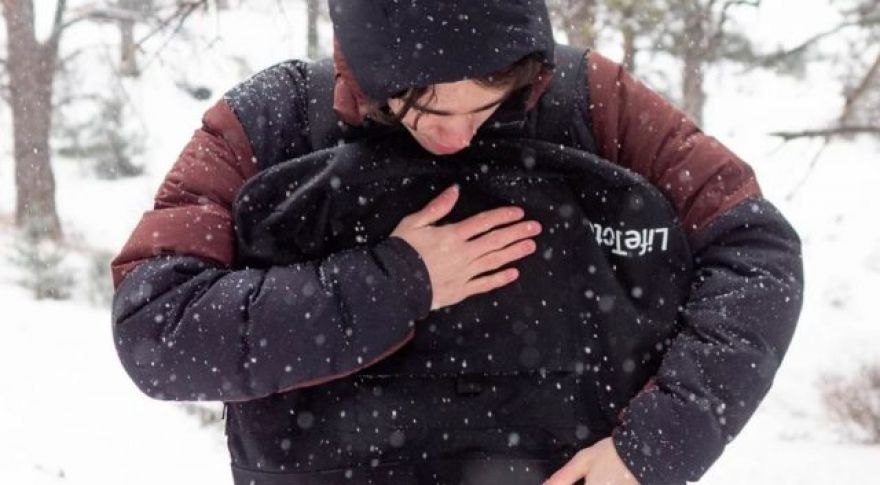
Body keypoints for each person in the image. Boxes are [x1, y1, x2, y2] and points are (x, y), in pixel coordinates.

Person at [109, 1, 803, 484]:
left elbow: (756, 253)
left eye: (484, 106)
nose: (455, 137)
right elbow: (155, 329)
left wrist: (655, 445)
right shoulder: (275, 118)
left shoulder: (591, 99)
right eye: (426, 107)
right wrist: (398, 281)